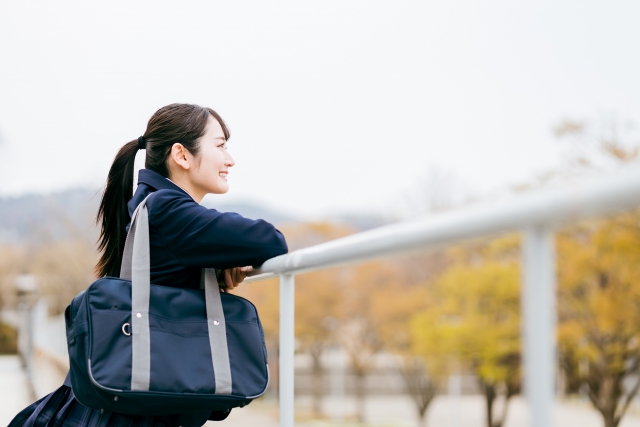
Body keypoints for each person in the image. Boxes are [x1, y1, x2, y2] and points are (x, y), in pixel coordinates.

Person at [9, 103, 289, 427]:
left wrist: (212, 268)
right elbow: (271, 241)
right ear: (181, 155)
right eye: (220, 145)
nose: (230, 159)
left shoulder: (149, 204)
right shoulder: (169, 210)